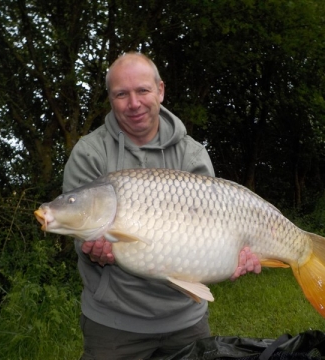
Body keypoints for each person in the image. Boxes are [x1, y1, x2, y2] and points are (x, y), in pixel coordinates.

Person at [63, 52, 261, 360]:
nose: (134, 103)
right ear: (110, 99)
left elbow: (208, 240)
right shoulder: (90, 154)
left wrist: (234, 256)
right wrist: (90, 248)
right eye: (121, 94)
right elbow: (78, 224)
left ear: (161, 91)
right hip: (114, 322)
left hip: (186, 318)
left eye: (142, 90)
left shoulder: (192, 155)